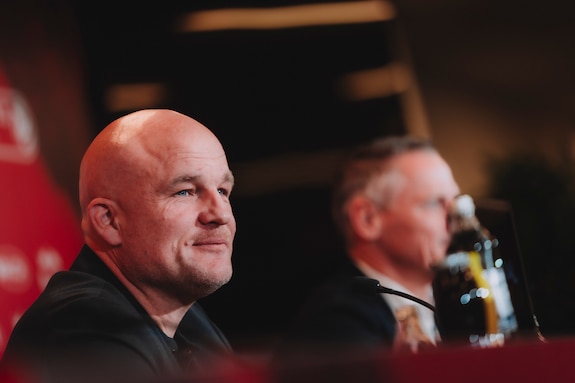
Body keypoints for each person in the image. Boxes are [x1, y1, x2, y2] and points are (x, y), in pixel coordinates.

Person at [0, 109, 237, 383]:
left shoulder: (189, 323)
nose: (221, 214)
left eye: (222, 190)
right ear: (109, 221)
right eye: (184, 191)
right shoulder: (82, 329)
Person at [274, 135, 460, 361]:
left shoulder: (455, 299)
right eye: (433, 203)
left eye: (456, 202)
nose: (457, 218)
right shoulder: (337, 326)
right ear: (367, 219)